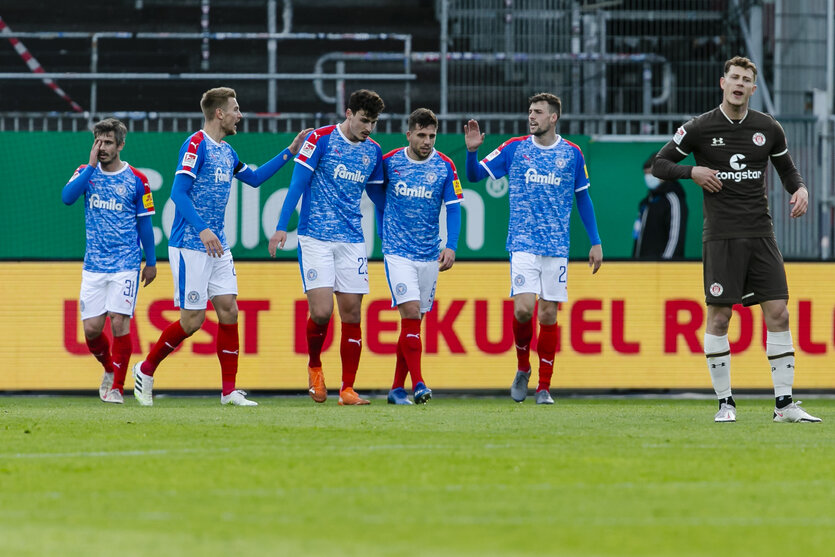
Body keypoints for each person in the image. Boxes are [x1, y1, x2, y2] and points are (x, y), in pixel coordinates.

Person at [653, 56, 821, 423]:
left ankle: (784, 405)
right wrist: (692, 171)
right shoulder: (698, 128)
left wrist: (801, 189)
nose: (740, 84)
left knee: (779, 312)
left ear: (753, 88)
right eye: (734, 78)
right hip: (722, 235)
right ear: (722, 83)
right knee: (719, 316)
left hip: (761, 232)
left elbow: (787, 170)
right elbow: (660, 164)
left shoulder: (768, 128)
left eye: (746, 79)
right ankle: (725, 403)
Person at [131, 87, 311, 407]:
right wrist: (201, 230)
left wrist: (290, 151)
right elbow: (178, 194)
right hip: (190, 244)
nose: (239, 115)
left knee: (229, 311)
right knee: (192, 321)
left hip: (218, 245)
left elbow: (254, 179)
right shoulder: (196, 144)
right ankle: (145, 370)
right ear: (219, 113)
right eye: (236, 109)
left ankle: (229, 391)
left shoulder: (227, 152)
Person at [464, 92, 603, 405]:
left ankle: (544, 386)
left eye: (538, 112)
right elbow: (473, 176)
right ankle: (523, 366)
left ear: (553, 117)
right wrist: (472, 152)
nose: (531, 117)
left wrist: (595, 240)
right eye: (530, 111)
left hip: (556, 246)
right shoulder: (515, 148)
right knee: (525, 309)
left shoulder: (572, 153)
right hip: (523, 243)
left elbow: (583, 197)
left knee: (549, 314)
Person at [269, 89, 386, 406]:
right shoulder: (320, 139)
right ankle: (315, 366)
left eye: (373, 122)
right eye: (364, 120)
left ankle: (348, 389)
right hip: (315, 237)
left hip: (352, 240)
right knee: (321, 313)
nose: (368, 128)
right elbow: (298, 183)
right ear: (348, 114)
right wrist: (282, 226)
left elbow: (379, 198)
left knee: (352, 314)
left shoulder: (372, 152)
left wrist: (393, 224)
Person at [62, 117, 157, 404]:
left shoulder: (137, 180)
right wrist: (89, 166)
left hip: (125, 264)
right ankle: (108, 367)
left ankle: (116, 387)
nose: (101, 148)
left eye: (108, 143)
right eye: (98, 142)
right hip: (93, 266)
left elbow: (145, 225)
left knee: (119, 323)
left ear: (121, 145)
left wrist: (150, 261)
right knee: (91, 331)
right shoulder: (85, 172)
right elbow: (67, 198)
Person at [374, 108, 463, 405]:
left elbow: (453, 208)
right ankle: (420, 383)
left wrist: (451, 245)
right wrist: (382, 229)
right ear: (408, 134)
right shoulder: (389, 163)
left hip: (429, 254)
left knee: (413, 324)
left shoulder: (445, 166)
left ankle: (397, 389)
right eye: (421, 135)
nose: (427, 141)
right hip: (398, 252)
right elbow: (375, 197)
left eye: (432, 136)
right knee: (410, 313)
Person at [632, 151, 688, 260]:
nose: (648, 178)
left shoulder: (673, 200)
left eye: (651, 174)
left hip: (664, 272)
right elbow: (637, 237)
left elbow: (675, 239)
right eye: (646, 174)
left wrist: (665, 266)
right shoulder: (646, 203)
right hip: (641, 269)